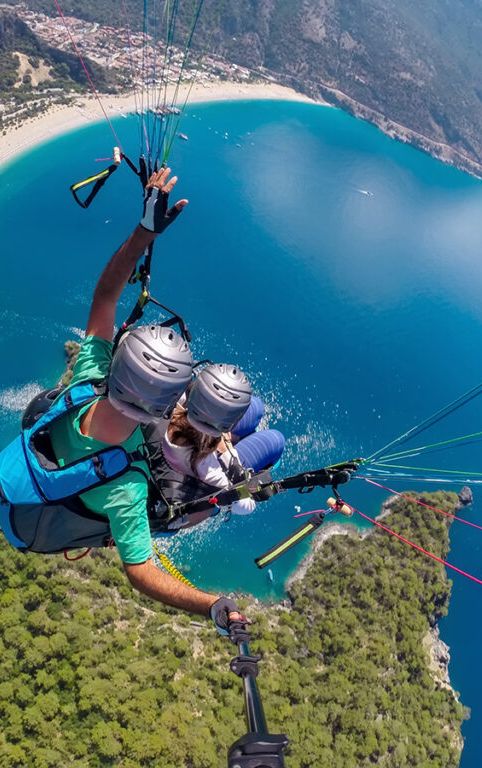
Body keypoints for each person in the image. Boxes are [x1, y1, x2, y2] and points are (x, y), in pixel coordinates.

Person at [45, 165, 244, 638]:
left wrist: (144, 232)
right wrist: (208, 605)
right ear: (166, 406)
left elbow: (107, 292)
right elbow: (140, 573)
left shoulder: (88, 380)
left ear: (117, 367)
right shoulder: (126, 489)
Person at [163, 364, 286, 514]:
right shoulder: (208, 469)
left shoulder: (168, 407)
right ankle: (236, 438)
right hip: (215, 456)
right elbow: (244, 506)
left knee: (256, 406)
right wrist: (228, 451)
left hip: (190, 440)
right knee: (276, 439)